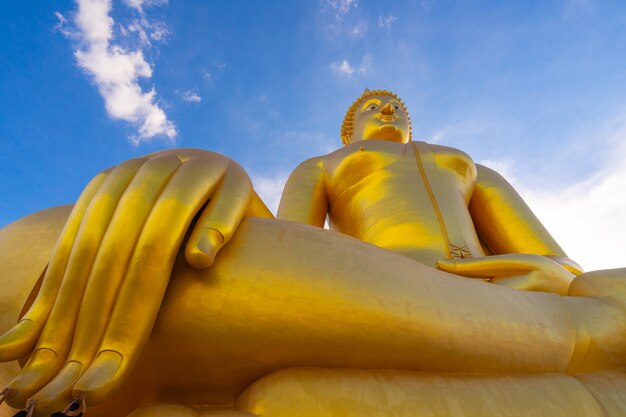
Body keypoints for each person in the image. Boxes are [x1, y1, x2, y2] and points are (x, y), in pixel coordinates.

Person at [0, 89, 624, 417]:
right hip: (377, 290)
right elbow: (299, 242)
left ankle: (563, 343)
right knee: (41, 245)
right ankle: (567, 358)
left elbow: (563, 264)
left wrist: (550, 278)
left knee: (611, 300)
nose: (387, 109)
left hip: (522, 295)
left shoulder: (465, 164)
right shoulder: (324, 165)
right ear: (348, 131)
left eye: (397, 107)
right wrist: (217, 183)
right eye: (373, 108)